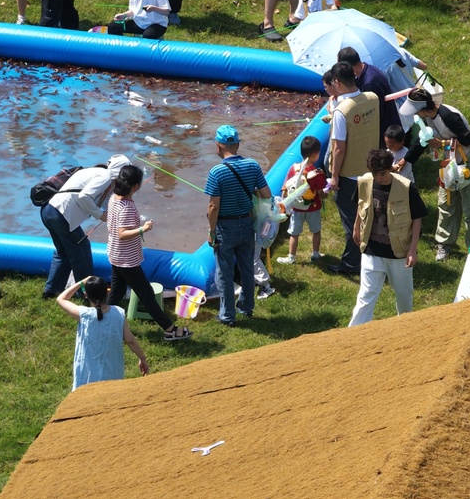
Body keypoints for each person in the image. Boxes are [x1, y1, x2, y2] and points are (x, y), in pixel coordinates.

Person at [400, 88, 470, 261]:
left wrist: (442, 143)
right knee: (446, 203)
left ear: (422, 109)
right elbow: (423, 140)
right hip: (450, 162)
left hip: (468, 160)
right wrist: (405, 160)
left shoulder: (449, 115)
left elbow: (468, 139)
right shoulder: (427, 118)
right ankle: (444, 244)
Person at [104, 164, 192, 341]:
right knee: (146, 294)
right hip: (127, 259)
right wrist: (143, 229)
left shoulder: (114, 198)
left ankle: (100, 319)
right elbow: (122, 233)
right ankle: (169, 330)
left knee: (118, 291)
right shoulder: (127, 207)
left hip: (115, 253)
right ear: (136, 186)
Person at [348, 148, 428, 326]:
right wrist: (356, 226)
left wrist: (412, 250)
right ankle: (353, 333)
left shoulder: (406, 187)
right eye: (375, 173)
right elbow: (361, 205)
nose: (379, 177)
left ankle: (405, 329)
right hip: (371, 249)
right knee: (366, 295)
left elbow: (417, 218)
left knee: (404, 295)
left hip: (399, 253)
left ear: (390, 169)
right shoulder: (364, 182)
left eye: (382, 173)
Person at [202, 124, 270, 327]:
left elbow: (214, 206)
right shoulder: (252, 165)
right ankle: (247, 307)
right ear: (238, 145)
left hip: (225, 227)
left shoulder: (217, 172)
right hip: (247, 223)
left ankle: (227, 315)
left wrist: (211, 231)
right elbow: (266, 194)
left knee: (224, 273)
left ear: (218, 145)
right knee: (247, 267)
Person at [40, 155, 130, 298]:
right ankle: (87, 294)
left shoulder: (99, 175)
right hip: (60, 214)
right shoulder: (105, 176)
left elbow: (104, 205)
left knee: (63, 252)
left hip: (49, 210)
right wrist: (100, 215)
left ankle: (51, 291)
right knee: (82, 249)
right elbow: (85, 196)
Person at [322, 62, 379, 276]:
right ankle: (371, 253)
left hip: (350, 175)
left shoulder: (341, 112)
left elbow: (339, 148)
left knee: (352, 221)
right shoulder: (372, 98)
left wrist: (334, 177)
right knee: (368, 215)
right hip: (371, 169)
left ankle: (352, 263)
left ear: (336, 82)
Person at [56, 276, 148, 391]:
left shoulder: (84, 314)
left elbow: (61, 299)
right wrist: (142, 358)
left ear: (86, 295)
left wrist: (81, 283)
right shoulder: (119, 313)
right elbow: (130, 340)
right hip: (113, 374)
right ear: (107, 293)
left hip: (87, 376)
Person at [277, 135, 327, 264]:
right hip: (313, 208)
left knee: (294, 233)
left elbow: (285, 186)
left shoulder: (294, 168)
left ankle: (291, 257)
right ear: (315, 155)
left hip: (296, 208)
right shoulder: (317, 173)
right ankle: (315, 254)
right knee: (316, 231)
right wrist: (325, 194)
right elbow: (320, 192)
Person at [338, 46, 403, 134]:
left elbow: (374, 112)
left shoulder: (369, 84)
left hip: (387, 131)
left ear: (348, 66)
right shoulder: (369, 69)